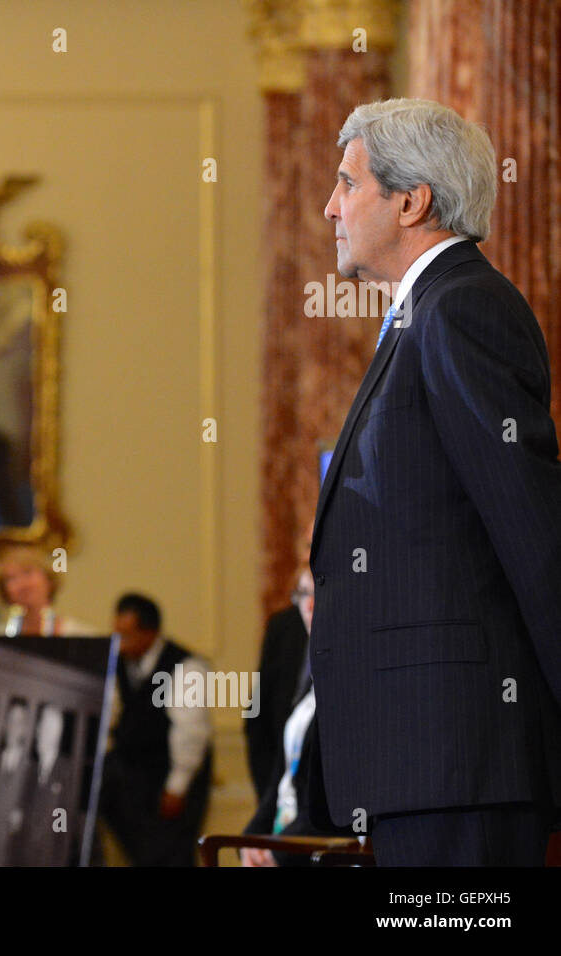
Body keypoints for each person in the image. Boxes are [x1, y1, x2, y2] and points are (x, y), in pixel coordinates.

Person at [311, 98, 561, 865]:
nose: (330, 207)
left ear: (411, 200)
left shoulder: (463, 308)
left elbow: (532, 527)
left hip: (460, 757)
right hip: (422, 761)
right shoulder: (423, 312)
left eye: (348, 183)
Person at [98, 593, 212, 866]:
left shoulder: (186, 666)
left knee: (171, 855)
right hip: (132, 782)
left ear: (150, 633)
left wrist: (177, 787)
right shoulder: (120, 664)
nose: (119, 643)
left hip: (169, 781)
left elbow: (191, 732)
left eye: (126, 635)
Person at [244, 565, 312, 797]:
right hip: (279, 787)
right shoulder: (283, 626)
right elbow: (257, 715)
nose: (310, 605)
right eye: (304, 594)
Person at [13, 703, 77, 866]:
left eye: (42, 728)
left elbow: (62, 830)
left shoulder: (65, 772)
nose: (37, 732)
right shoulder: (32, 770)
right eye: (40, 727)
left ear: (54, 734)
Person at [0, 545, 94, 636]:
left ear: (48, 579)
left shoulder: (80, 634)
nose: (22, 584)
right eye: (11, 578)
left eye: (28, 572)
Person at [0, 696, 33, 866]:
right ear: (5, 725)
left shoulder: (30, 770)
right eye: (11, 719)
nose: (14, 726)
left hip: (9, 856)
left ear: (25, 729)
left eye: (19, 721)